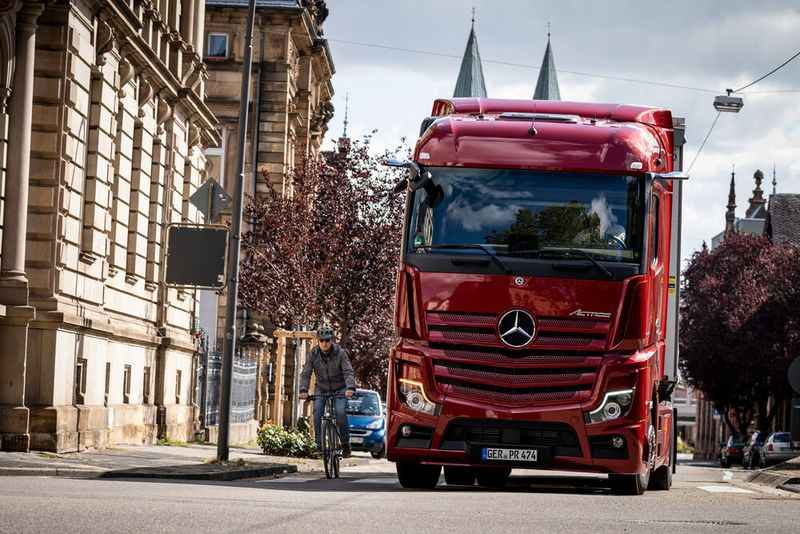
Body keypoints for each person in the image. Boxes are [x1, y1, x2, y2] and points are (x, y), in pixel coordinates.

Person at [299, 324, 356, 458]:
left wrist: (350, 388)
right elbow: (306, 373)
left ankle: (345, 443)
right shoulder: (312, 354)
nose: (324, 343)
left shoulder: (341, 353)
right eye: (322, 340)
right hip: (321, 387)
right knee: (317, 411)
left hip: (340, 388)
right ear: (318, 340)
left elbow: (348, 372)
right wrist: (303, 390)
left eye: (327, 340)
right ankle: (319, 445)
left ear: (332, 340)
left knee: (340, 412)